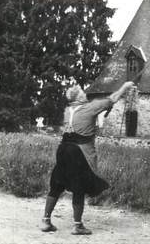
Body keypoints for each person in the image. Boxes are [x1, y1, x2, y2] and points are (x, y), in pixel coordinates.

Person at [40, 81, 136, 235]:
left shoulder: (67, 111)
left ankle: (46, 221)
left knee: (57, 185)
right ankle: (77, 226)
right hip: (78, 152)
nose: (85, 94)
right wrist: (125, 87)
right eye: (82, 92)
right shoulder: (90, 108)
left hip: (63, 150)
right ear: (79, 97)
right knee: (79, 187)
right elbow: (113, 98)